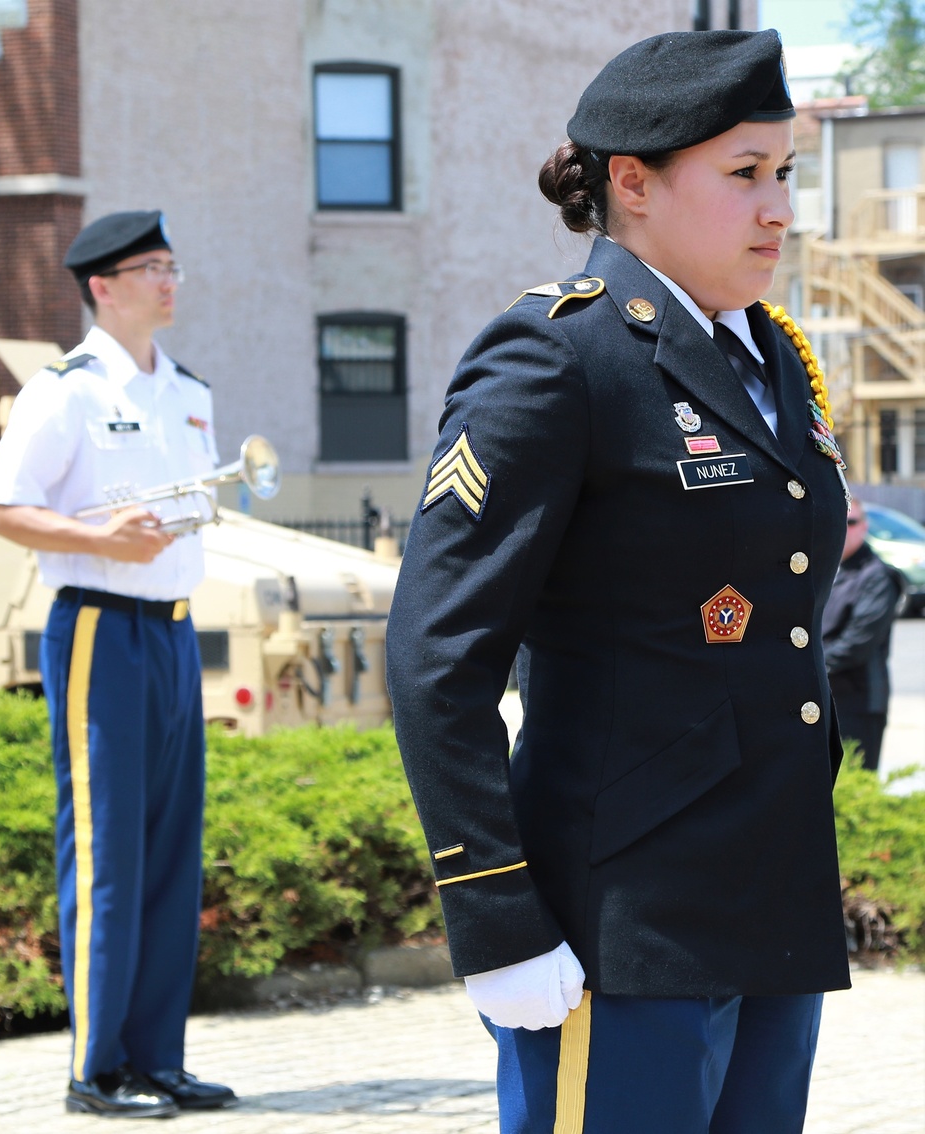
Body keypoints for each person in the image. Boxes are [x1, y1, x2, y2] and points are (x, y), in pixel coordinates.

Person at [386, 29, 852, 1134]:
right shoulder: (556, 358)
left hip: (769, 896)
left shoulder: (769, 354)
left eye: (784, 173)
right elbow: (437, 656)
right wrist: (492, 913)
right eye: (742, 174)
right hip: (620, 919)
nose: (777, 208)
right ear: (631, 184)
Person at [0, 211, 236, 1118]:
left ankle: (156, 1057)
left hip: (171, 630)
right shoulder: (66, 391)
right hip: (97, 630)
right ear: (102, 286)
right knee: (108, 853)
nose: (170, 280)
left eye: (173, 263)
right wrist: (97, 539)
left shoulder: (190, 391)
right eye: (151, 267)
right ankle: (95, 1070)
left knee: (172, 852)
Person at [822, 498, 902, 771]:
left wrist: (807, 665)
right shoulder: (824, 571)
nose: (844, 528)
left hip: (858, 702)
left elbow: (857, 644)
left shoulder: (877, 576)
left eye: (851, 522)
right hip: (825, 697)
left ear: (864, 527)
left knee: (855, 788)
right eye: (838, 521)